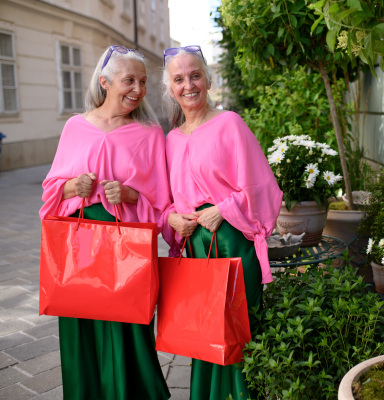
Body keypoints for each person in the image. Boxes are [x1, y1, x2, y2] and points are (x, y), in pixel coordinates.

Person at [39, 45, 172, 400]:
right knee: (79, 318)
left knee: (128, 324)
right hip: (78, 246)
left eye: (143, 82)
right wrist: (71, 186)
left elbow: (161, 203)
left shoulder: (148, 134)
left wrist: (130, 195)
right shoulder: (75, 127)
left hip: (126, 248)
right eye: (129, 80)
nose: (138, 89)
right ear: (105, 82)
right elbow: (51, 191)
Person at [162, 45, 282, 400]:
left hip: (231, 239)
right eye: (179, 79)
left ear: (209, 79)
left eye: (195, 75)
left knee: (236, 324)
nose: (189, 85)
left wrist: (224, 208)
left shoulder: (230, 123)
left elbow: (262, 186)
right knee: (203, 327)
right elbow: (167, 197)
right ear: (170, 87)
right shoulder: (170, 139)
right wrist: (172, 217)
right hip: (196, 245)